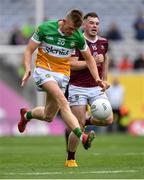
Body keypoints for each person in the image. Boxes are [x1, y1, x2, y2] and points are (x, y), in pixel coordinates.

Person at [18, 9, 109, 151]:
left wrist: (97, 78)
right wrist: (27, 68)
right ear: (64, 21)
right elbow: (29, 49)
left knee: (48, 116)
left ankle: (27, 114)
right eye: (70, 28)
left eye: (74, 30)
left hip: (61, 75)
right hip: (44, 71)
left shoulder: (77, 36)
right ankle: (82, 136)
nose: (71, 32)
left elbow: (90, 58)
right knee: (62, 101)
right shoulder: (45, 28)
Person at [64, 12, 113, 167]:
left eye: (97, 23)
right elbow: (71, 64)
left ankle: (85, 120)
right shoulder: (76, 40)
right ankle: (70, 159)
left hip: (96, 87)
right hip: (78, 87)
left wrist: (104, 80)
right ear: (84, 25)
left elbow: (104, 61)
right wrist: (90, 61)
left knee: (109, 119)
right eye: (91, 23)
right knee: (78, 126)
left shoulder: (104, 42)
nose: (94, 26)